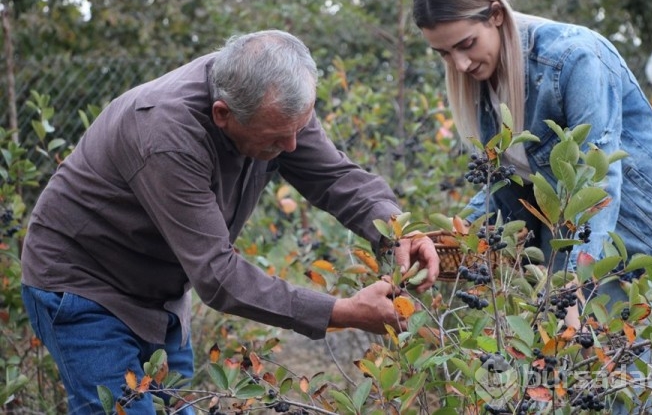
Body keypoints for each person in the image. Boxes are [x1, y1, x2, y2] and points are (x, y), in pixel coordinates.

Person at [21, 30, 439, 414]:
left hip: (160, 294)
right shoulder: (165, 134)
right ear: (223, 114)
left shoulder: (272, 101)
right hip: (84, 286)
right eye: (277, 137)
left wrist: (399, 230)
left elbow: (333, 176)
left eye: (299, 128)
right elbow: (218, 276)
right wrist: (342, 311)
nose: (292, 146)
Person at [411, 0, 652, 413]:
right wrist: (443, 243)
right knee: (562, 380)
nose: (460, 63)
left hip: (644, 224)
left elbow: (596, 174)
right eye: (444, 53)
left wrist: (575, 285)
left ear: (496, 14)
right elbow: (502, 184)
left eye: (466, 45)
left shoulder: (573, 57)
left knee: (631, 381)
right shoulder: (485, 83)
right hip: (570, 230)